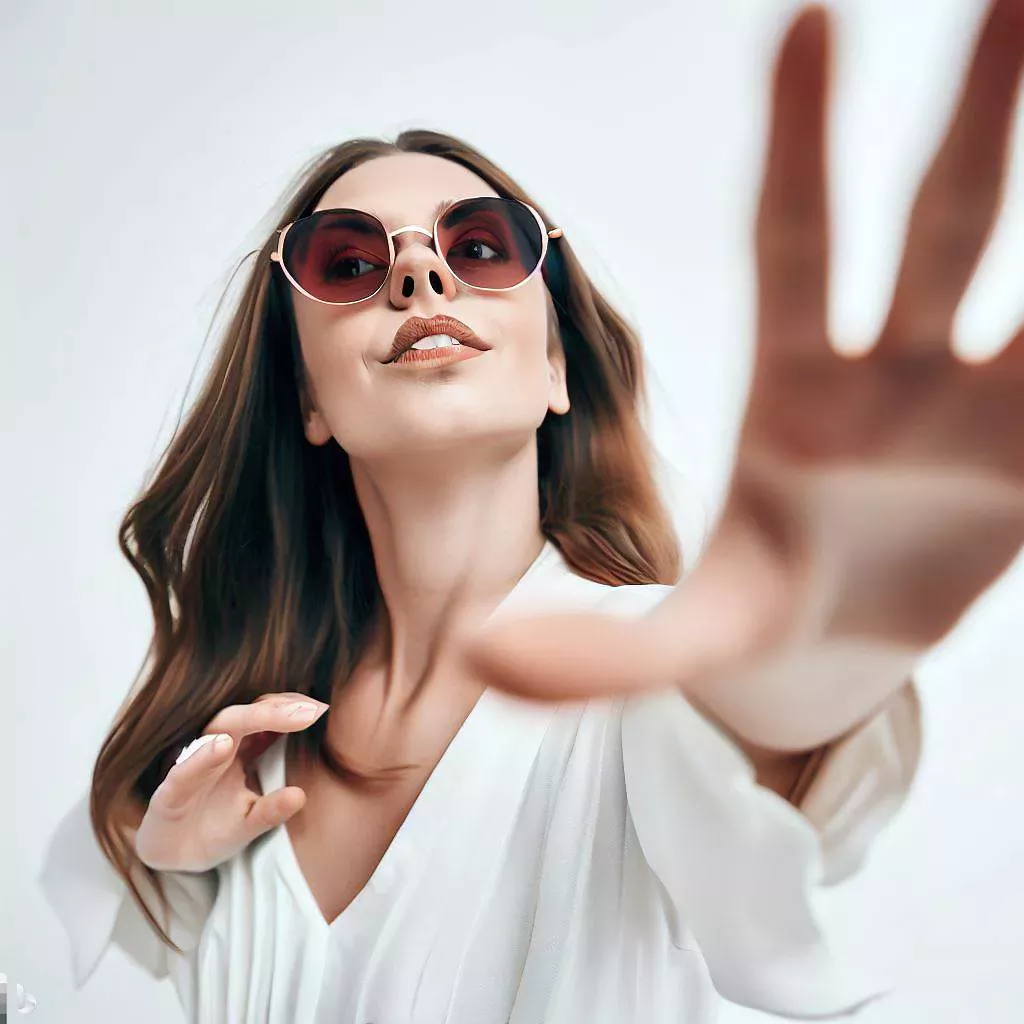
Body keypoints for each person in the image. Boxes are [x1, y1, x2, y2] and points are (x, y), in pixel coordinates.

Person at [39, 3, 1024, 1022]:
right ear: (308, 402)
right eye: (348, 262)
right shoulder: (242, 757)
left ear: (558, 364)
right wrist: (165, 856)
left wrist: (821, 623)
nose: (418, 273)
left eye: (480, 248)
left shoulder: (648, 673)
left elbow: (754, 720)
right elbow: (94, 883)